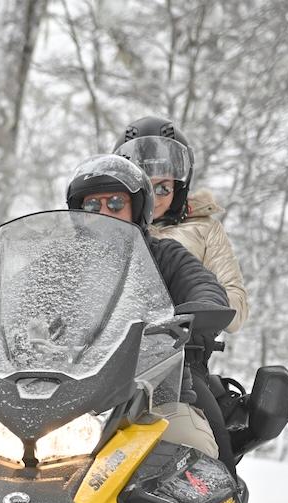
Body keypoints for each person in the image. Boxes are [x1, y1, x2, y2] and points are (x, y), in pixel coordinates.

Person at [65, 154, 229, 460]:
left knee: (193, 444)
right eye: (92, 206)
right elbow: (15, 293)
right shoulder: (62, 265)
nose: (104, 212)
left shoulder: (165, 255)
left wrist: (198, 309)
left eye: (116, 203)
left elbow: (202, 284)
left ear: (137, 210)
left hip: (156, 396)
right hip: (66, 399)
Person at [113, 116, 249, 334]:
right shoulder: (112, 228)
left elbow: (236, 306)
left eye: (162, 188)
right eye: (143, 187)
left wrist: (200, 306)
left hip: (182, 344)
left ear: (178, 188)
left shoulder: (204, 230)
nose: (153, 198)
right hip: (114, 345)